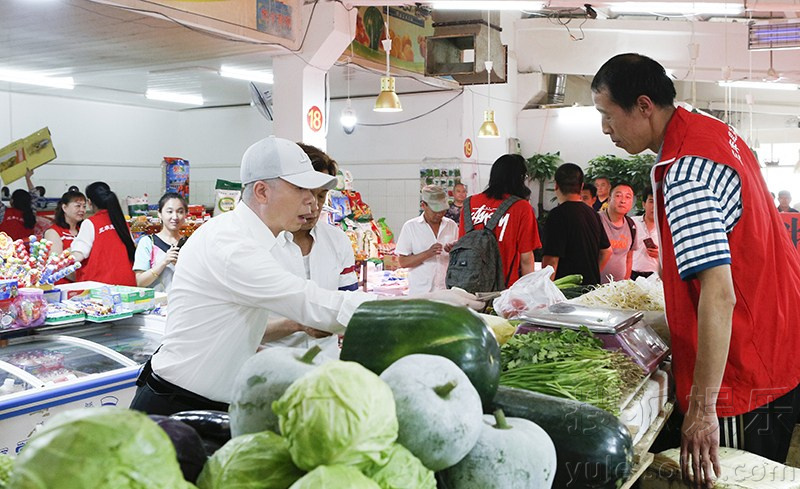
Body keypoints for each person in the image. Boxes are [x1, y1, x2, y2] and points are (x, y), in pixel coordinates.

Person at [129, 137, 481, 416]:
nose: (312, 202)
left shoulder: (266, 238)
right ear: (263, 192)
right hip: (177, 406)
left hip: (216, 400)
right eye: (300, 189)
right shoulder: (231, 245)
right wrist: (429, 303)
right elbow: (316, 305)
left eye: (316, 193)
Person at [592, 53, 800, 486]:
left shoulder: (685, 172)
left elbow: (720, 294)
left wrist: (703, 408)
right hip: (778, 344)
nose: (605, 129)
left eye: (607, 115)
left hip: (743, 374)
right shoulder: (720, 135)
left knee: (730, 478)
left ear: (644, 106)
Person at [267, 143, 358, 357]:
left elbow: (349, 304)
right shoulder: (261, 244)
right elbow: (239, 327)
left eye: (321, 195)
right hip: (271, 364)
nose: (314, 207)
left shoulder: (337, 241)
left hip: (325, 364)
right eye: (306, 193)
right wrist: (297, 325)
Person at [459, 154, 541, 288]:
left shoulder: (469, 203)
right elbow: (526, 259)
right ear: (520, 178)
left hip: (467, 287)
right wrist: (528, 294)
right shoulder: (522, 207)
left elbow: (462, 245)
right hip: (504, 291)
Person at [542, 163, 611, 286]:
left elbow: (551, 261)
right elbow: (606, 251)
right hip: (591, 291)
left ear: (556, 186)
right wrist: (591, 275)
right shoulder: (593, 214)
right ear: (581, 186)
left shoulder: (557, 215)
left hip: (566, 292)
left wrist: (546, 290)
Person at [70, 182, 137, 286]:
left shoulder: (90, 223)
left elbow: (78, 255)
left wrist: (58, 262)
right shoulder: (121, 222)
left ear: (89, 202)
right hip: (127, 285)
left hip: (100, 288)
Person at [396, 185, 458, 295]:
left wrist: (454, 250)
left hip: (447, 290)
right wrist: (427, 254)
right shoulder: (411, 227)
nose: (439, 214)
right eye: (435, 211)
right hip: (421, 292)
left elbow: (460, 258)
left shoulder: (451, 225)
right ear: (423, 205)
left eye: (442, 210)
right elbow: (403, 262)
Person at [133, 192, 187, 293]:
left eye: (180, 211)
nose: (175, 217)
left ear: (185, 215)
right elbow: (140, 282)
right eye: (169, 211)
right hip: (158, 306)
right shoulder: (148, 242)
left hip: (184, 304)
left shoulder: (190, 243)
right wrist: (164, 262)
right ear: (160, 214)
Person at [598, 183, 638, 283]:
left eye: (628, 197)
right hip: (594, 287)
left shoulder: (631, 225)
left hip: (619, 289)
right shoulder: (596, 220)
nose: (623, 201)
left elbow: (629, 257)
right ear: (609, 199)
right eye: (618, 195)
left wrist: (626, 282)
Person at [44, 189, 86, 256]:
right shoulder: (53, 232)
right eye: (78, 206)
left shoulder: (84, 229)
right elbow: (55, 261)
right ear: (64, 208)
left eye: (84, 206)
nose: (82, 210)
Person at [631, 187, 659, 280]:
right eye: (651, 201)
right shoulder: (631, 222)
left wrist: (660, 255)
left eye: (658, 202)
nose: (654, 206)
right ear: (644, 204)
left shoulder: (667, 228)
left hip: (656, 277)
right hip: (632, 275)